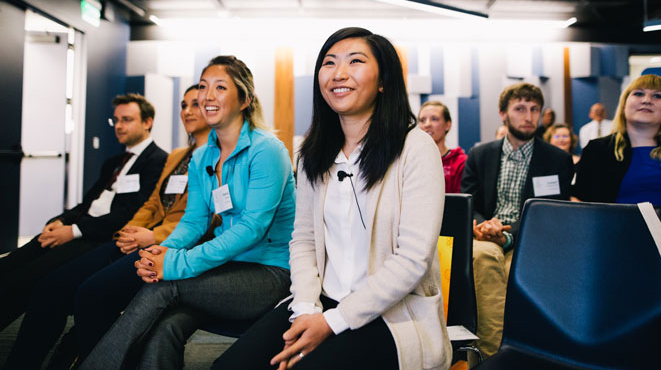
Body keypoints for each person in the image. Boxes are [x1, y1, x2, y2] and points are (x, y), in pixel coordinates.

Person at [211, 27, 451, 370]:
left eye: (355, 61)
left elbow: (412, 259)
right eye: (329, 63)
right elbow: (304, 240)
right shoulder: (313, 153)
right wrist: (307, 308)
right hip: (319, 303)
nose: (339, 74)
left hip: (390, 315)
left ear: (384, 80)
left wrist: (334, 322)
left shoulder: (415, 148)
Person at [80, 56, 296, 370]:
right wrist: (161, 251)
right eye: (204, 86)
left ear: (245, 99)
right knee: (166, 325)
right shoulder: (202, 157)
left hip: (270, 273)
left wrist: (176, 263)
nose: (207, 96)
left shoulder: (268, 150)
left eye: (220, 87)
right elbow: (194, 221)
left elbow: (252, 228)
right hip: (227, 269)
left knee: (166, 285)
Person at [1, 85, 211, 370]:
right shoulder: (176, 156)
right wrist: (127, 231)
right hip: (132, 236)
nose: (187, 111)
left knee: (61, 288)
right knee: (20, 269)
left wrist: (148, 235)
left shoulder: (203, 158)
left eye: (195, 104)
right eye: (184, 105)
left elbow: (200, 219)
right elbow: (149, 205)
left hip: (165, 244)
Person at [0, 94, 167, 331]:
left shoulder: (159, 161)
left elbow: (130, 213)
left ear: (147, 122)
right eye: (116, 120)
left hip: (98, 238)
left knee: (25, 280)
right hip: (80, 227)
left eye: (127, 119)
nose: (119, 126)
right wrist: (60, 221)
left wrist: (74, 231)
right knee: (8, 266)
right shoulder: (114, 162)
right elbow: (87, 203)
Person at [461, 82, 574, 360]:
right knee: (485, 259)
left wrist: (509, 236)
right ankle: (496, 356)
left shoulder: (557, 159)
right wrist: (484, 226)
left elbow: (552, 212)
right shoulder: (480, 154)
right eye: (520, 108)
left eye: (535, 109)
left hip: (530, 240)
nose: (529, 116)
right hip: (484, 236)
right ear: (503, 113)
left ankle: (509, 354)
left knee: (514, 272)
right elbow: (468, 202)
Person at [573, 74, 661, 267]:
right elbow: (578, 203)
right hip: (619, 253)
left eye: (657, 96)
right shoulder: (599, 150)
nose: (647, 100)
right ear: (624, 104)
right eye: (639, 93)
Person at [418, 100, 468, 193]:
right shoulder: (413, 161)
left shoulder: (460, 162)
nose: (427, 124)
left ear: (447, 125)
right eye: (422, 120)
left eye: (434, 119)